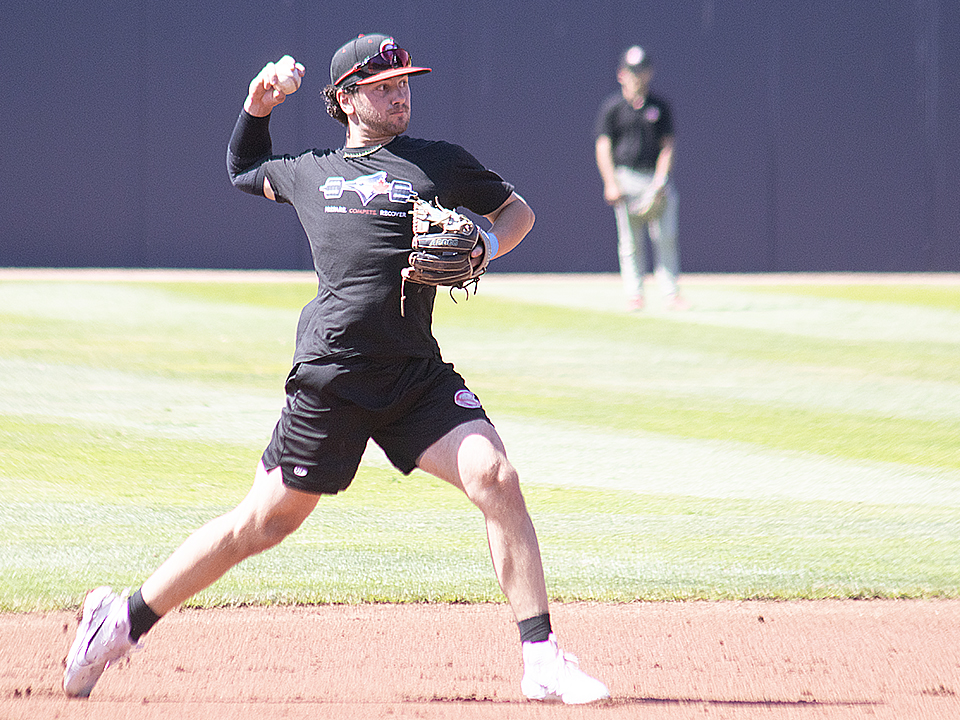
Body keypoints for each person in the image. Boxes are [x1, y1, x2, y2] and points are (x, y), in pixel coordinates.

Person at [62, 33, 610, 705]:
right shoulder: (311, 171)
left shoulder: (436, 162)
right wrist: (257, 104)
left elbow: (515, 210)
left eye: (405, 79)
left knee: (496, 476)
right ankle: (119, 621)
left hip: (414, 375)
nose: (400, 90)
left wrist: (488, 244)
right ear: (346, 99)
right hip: (332, 376)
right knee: (261, 524)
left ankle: (542, 659)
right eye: (383, 85)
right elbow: (243, 166)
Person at [595, 45, 688, 311]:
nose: (637, 76)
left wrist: (661, 180)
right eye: (632, 71)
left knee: (666, 237)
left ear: (649, 72)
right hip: (626, 178)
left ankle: (671, 294)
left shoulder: (659, 106)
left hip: (654, 179)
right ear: (621, 73)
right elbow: (603, 146)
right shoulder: (613, 108)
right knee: (630, 242)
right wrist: (610, 182)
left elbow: (667, 146)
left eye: (641, 70)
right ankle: (634, 294)